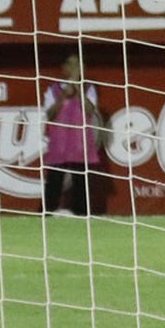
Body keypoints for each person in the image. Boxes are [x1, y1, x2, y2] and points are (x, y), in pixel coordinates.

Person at [42, 54, 110, 216]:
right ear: (64, 68)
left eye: (78, 66)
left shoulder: (88, 88)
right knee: (54, 180)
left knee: (81, 181)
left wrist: (78, 90)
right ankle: (47, 213)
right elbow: (49, 115)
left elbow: (90, 110)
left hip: (80, 143)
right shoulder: (53, 89)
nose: (75, 69)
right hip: (59, 143)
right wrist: (63, 95)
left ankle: (82, 214)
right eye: (72, 65)